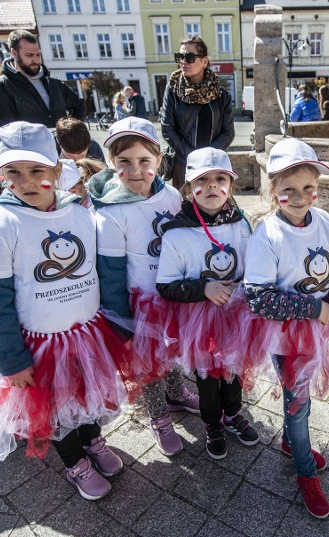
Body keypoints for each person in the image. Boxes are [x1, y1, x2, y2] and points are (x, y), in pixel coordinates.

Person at [0, 121, 131, 500]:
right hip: (38, 344)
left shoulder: (80, 213)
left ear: (56, 170)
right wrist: (11, 360)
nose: (27, 181)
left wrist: (116, 323)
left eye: (37, 171)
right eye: (13, 173)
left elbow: (102, 271)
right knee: (54, 407)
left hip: (87, 333)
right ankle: (74, 462)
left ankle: (94, 440)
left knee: (86, 396)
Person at [244, 138, 329, 519]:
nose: (300, 198)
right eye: (289, 191)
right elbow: (258, 297)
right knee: (299, 404)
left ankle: (290, 442)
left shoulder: (320, 220)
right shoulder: (267, 234)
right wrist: (313, 307)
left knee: (297, 401)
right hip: (287, 334)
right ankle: (304, 472)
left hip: (322, 322)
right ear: (273, 191)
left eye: (308, 189)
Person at [88, 117, 199, 456]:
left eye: (144, 161)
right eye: (124, 162)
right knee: (147, 363)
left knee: (174, 350)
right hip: (140, 301)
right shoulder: (109, 213)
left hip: (173, 293)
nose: (135, 170)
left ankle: (177, 391)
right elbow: (110, 270)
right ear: (112, 163)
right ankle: (159, 417)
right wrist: (121, 319)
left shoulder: (169, 196)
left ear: (158, 161)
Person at [157, 148, 259, 460]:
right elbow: (165, 285)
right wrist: (204, 288)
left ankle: (232, 414)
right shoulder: (177, 233)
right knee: (207, 377)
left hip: (238, 315)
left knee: (235, 371)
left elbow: (254, 265)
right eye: (203, 180)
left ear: (231, 184)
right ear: (188, 189)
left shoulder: (241, 224)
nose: (212, 186)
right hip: (200, 321)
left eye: (220, 179)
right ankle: (212, 421)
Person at [160, 36, 235, 189]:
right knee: (184, 208)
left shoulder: (221, 95)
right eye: (180, 57)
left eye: (189, 57)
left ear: (205, 61)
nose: (183, 62)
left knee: (212, 208)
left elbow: (228, 133)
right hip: (184, 164)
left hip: (214, 166)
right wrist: (192, 157)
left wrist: (208, 158)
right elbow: (167, 128)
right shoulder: (173, 89)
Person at [0, 30, 85, 133]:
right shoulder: (3, 86)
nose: (36, 60)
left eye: (38, 55)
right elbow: (3, 131)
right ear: (14, 53)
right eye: (29, 55)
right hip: (31, 149)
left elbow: (79, 104)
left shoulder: (53, 82)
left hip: (62, 148)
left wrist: (72, 133)